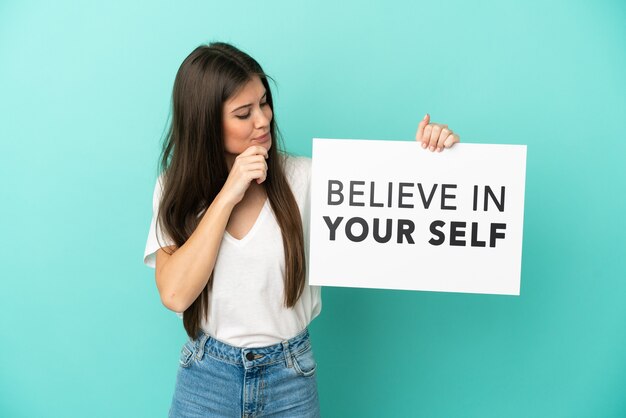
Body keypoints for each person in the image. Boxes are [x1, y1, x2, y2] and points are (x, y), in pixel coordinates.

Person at [143, 41, 460, 418]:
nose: (263, 120)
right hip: (207, 377)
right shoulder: (174, 189)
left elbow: (397, 206)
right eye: (243, 113)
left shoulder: (306, 179)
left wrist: (433, 156)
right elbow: (176, 293)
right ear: (206, 123)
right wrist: (228, 194)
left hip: (289, 377)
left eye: (264, 102)